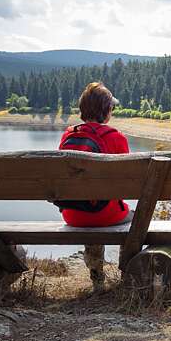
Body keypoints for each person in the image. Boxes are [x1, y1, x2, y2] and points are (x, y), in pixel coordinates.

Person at [55, 82, 131, 290]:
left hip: (73, 214)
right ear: (106, 110)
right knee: (132, 217)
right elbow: (128, 183)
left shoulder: (68, 136)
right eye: (111, 107)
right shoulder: (116, 138)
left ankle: (96, 275)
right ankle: (127, 273)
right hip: (106, 213)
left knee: (90, 203)